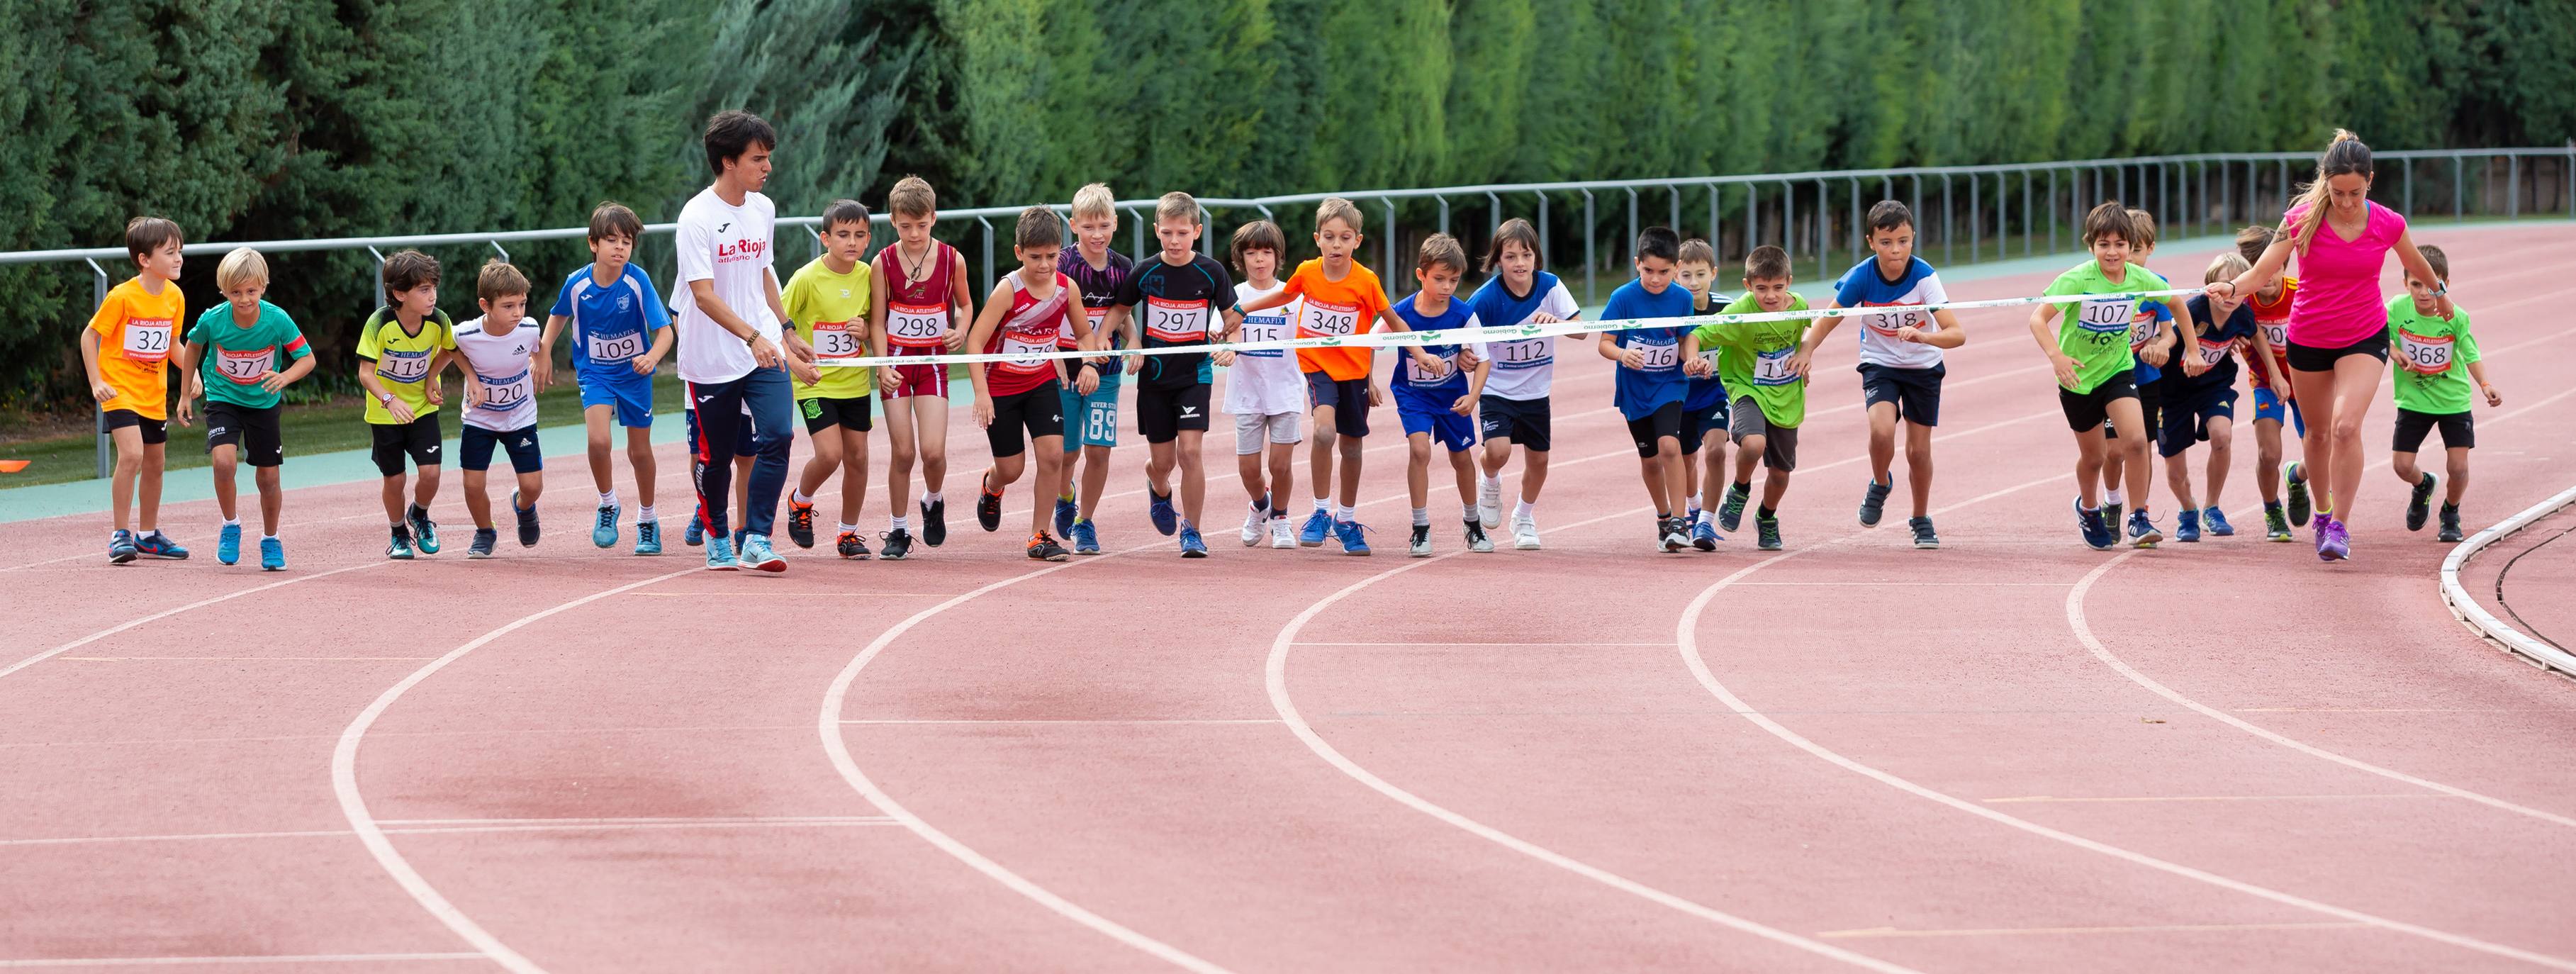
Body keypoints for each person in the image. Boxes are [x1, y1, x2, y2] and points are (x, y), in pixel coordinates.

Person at [2210, 130, 2453, 562]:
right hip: (2310, 337)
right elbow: (2261, 269)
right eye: (2338, 193)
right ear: (2325, 182)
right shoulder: (2301, 218)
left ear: (2370, 181)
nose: (2345, 202)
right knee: (2318, 434)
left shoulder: (2386, 222)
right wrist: (2232, 287)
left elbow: (2415, 262)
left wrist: (2440, 292)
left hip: (2364, 334)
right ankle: (2322, 513)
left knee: (2345, 427)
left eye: (2355, 193)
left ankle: (2340, 523)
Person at [1224, 197, 1430, 556]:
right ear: (1317, 238)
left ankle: (1346, 519)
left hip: (1353, 371)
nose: (1337, 245)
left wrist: (1418, 351)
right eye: (1330, 237)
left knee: (1351, 448)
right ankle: (1319, 512)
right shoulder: (1308, 272)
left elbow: (1392, 321)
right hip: (1318, 368)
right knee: (1322, 432)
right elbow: (1281, 296)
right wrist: (1242, 308)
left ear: (1357, 241)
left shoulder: (1366, 281)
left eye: (1345, 238)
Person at [675, 109, 810, 572]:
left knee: (779, 435)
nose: (767, 167)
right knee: (716, 459)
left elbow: (764, 272)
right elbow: (703, 296)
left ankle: (757, 537)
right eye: (758, 159)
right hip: (712, 354)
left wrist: (785, 328)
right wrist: (751, 336)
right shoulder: (696, 217)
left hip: (763, 344)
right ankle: (716, 533)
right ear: (729, 161)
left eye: (768, 158)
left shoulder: (763, 208)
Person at [1793, 201, 1964, 549]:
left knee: (1918, 452)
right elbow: (1828, 318)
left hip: (1923, 367)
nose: (1896, 250)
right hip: (1880, 363)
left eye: (1903, 241)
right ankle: (1880, 482)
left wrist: (1924, 336)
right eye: (1886, 242)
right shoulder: (1862, 277)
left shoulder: (1925, 277)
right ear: (1871, 242)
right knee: (1881, 430)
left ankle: (1920, 517)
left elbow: (1957, 334)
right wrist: (1807, 349)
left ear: (1913, 238)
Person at [2029, 203, 2171, 551]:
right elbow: (2038, 319)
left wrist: (2191, 349)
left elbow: (2178, 304)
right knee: (2094, 457)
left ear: (2130, 245)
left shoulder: (2140, 278)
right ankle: (2089, 508)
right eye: (2104, 244)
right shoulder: (2077, 279)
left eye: (2120, 244)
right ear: (2090, 245)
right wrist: (2058, 358)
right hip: (2078, 380)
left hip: (2119, 371)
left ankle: (2139, 517)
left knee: (2136, 442)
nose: (2113, 252)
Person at [1103, 192, 1235, 556]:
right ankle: (1157, 484)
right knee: (1165, 462)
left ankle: (1192, 531)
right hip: (1154, 379)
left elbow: (1232, 318)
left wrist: (1232, 344)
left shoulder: (1212, 272)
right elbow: (1119, 309)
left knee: (1190, 453)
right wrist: (1105, 337)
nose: (1174, 241)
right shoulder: (1145, 272)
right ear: (1157, 231)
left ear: (1196, 231)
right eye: (1167, 234)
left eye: (1182, 233)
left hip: (1194, 376)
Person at [539, 201, 673, 556]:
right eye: (611, 240)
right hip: (595, 372)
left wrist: (652, 357)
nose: (619, 248)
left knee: (639, 450)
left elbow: (665, 332)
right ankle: (608, 503)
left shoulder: (637, 280)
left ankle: (648, 519)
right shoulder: (577, 283)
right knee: (599, 441)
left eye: (626, 241)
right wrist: (545, 351)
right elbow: (558, 317)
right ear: (593, 244)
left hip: (634, 375)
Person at [174, 247, 312, 570]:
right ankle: (231, 524)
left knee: (268, 478)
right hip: (223, 398)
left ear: (263, 287)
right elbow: (193, 345)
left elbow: (307, 358)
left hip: (263, 402)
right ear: (224, 291)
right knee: (224, 463)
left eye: (251, 291)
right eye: (236, 292)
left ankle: (270, 538)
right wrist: (185, 393)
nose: (245, 299)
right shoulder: (214, 319)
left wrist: (285, 377)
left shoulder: (277, 320)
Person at [964, 206, 1085, 561]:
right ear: (1019, 253)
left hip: (1041, 382)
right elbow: (974, 342)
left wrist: (1091, 359)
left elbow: (1082, 334)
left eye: (1051, 256)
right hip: (1001, 387)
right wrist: (981, 394)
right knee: (1012, 469)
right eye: (1035, 257)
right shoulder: (1008, 290)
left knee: (1052, 457)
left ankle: (1039, 536)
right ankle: (992, 485)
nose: (1044, 265)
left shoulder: (1067, 288)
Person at [868, 175, 975, 560]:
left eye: (922, 225)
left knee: (932, 452)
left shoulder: (952, 260)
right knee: (903, 453)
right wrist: (881, 366)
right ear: (893, 221)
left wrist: (960, 330)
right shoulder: (881, 263)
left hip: (932, 363)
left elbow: (965, 306)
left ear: (934, 218)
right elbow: (877, 320)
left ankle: (933, 499)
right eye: (905, 226)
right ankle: (898, 529)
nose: (914, 233)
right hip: (896, 363)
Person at [1467, 218, 1583, 551]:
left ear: (1536, 257)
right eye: (1510, 257)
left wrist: (1557, 323)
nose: (1519, 263)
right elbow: (1464, 339)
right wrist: (1465, 356)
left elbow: (1581, 329)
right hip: (1497, 389)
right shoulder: (1485, 299)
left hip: (1536, 392)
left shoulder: (1550, 287)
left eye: (1526, 255)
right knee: (1498, 452)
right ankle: (1489, 480)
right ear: (1497, 260)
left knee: (1540, 461)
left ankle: (1523, 516)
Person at [81, 216, 191, 564]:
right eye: (170, 252)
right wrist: (97, 381)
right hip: (119, 391)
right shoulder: (123, 296)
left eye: (180, 252)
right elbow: (89, 336)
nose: (178, 259)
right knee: (132, 455)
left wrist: (191, 372)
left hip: (153, 395)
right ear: (145, 260)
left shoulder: (175, 297)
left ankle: (148, 536)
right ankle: (119, 535)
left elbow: (173, 343)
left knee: (156, 464)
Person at [1686, 245, 1810, 552]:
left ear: (1789, 283)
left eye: (1778, 288)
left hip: (1786, 394)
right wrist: (1691, 358)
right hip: (1746, 389)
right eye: (1762, 289)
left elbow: (1810, 330)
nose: (1771, 296)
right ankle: (1740, 488)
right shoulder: (1739, 313)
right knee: (1754, 443)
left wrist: (1806, 353)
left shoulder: (1799, 306)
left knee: (1780, 475)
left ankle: (1766, 516)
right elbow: (1698, 335)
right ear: (1747, 286)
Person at [781, 199, 878, 559]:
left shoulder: (869, 276)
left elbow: (878, 326)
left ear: (868, 239)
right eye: (842, 235)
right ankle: (800, 501)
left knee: (857, 458)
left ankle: (848, 533)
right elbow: (778, 325)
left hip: (854, 383)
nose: (850, 242)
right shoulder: (806, 279)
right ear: (825, 238)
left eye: (858, 235)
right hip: (816, 382)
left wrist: (866, 330)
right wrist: (796, 365)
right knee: (830, 454)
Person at [2385, 245, 2499, 543]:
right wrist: (2395, 352)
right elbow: (2377, 334)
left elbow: (2471, 354)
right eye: (2416, 284)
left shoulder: (2455, 316)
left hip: (2453, 401)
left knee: (2458, 467)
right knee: (2401, 466)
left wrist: (2486, 385)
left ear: (2445, 284)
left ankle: (2451, 511)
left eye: (2432, 285)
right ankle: (2423, 486)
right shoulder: (2396, 308)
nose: (2424, 293)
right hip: (2414, 399)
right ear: (2405, 283)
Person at [1387, 234, 1491, 556]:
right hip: (1413, 395)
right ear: (1421, 275)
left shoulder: (1463, 315)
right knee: (1420, 451)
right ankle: (1420, 528)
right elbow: (1369, 343)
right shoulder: (1400, 312)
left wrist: (1473, 397)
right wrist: (1370, 382)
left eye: (1454, 280)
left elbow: (1484, 359)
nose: (1447, 286)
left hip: (1452, 397)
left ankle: (1473, 523)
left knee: (1462, 459)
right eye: (1439, 279)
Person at [1596, 225, 1697, 553]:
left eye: (1665, 272)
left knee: (1670, 445)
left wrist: (1692, 360)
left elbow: (1687, 337)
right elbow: (1605, 343)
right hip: (1635, 390)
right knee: (1650, 459)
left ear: (1676, 266)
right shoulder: (1622, 298)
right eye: (1649, 271)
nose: (1656, 279)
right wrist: (1624, 354)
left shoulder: (1682, 298)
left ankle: (1680, 523)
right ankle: (1664, 518)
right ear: (1637, 263)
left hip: (1669, 384)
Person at [355, 250, 455, 559]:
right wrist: (389, 399)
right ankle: (398, 532)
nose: (432, 296)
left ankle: (420, 514)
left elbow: (450, 350)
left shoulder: (438, 321)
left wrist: (430, 378)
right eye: (424, 290)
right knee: (395, 479)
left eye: (434, 288)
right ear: (399, 293)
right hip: (386, 414)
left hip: (423, 409)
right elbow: (365, 373)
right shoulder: (379, 324)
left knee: (431, 474)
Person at [449, 261, 548, 558]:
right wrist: (464, 377)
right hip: (480, 418)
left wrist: (544, 360)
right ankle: (485, 531)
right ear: (485, 305)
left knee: (533, 485)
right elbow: (448, 348)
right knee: (472, 484)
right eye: (508, 306)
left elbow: (539, 347)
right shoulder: (465, 334)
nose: (518, 313)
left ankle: (524, 506)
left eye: (522, 304)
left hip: (520, 417)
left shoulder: (528, 328)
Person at [2161, 253, 2258, 542]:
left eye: (2237, 287)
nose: (2229, 294)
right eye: (2222, 285)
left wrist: (2274, 375)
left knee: (2222, 436)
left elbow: (2256, 335)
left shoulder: (2243, 314)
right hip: (2173, 392)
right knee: (2175, 469)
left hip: (2214, 386)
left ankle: (2212, 507)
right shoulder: (2193, 310)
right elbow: (2172, 335)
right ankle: (2188, 510)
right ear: (2209, 286)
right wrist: (2160, 346)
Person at [1220, 219, 1304, 549]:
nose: (1259, 260)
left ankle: (1281, 517)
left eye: (1266, 252)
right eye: (1251, 253)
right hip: (1247, 394)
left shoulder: (1292, 297)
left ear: (1277, 256)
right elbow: (1227, 330)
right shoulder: (1233, 296)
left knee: (1280, 464)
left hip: (1285, 390)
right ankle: (1260, 504)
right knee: (1249, 470)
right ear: (1241, 258)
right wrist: (1228, 347)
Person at [1057, 184, 1132, 552]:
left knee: (1098, 450)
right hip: (1065, 370)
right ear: (1074, 226)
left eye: (1104, 225)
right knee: (1066, 453)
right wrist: (1055, 357)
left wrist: (1134, 341)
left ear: (1115, 224)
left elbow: (1123, 312)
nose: (1097, 234)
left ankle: (1085, 522)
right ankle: (1064, 494)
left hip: (1108, 371)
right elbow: (1047, 312)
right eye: (1088, 227)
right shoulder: (1063, 264)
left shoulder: (1123, 268)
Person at [2096, 210, 2179, 535]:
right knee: (2114, 451)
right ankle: (2112, 500)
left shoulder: (2154, 286)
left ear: (2149, 249)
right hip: (2111, 378)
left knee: (2142, 447)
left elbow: (2169, 331)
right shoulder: (2104, 284)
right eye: (2129, 250)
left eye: (2138, 251)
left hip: (2146, 379)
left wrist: (2163, 345)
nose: (2131, 258)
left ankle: (2139, 512)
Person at [2234, 225, 2305, 542]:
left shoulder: (2300, 291)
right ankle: (2273, 509)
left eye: (2276, 269)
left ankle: (2297, 477)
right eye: (2261, 271)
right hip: (2265, 381)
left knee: (2322, 448)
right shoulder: (2243, 301)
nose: (2269, 278)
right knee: (2269, 454)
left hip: (2306, 381)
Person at [1673, 237, 1731, 550]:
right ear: (1675, 274)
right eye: (1686, 275)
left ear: (1714, 273)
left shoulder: (1728, 307)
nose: (1693, 283)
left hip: (1714, 393)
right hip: (1679, 394)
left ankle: (1706, 521)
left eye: (1700, 274)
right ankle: (1694, 505)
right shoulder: (1670, 306)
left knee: (1717, 452)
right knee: (1685, 459)